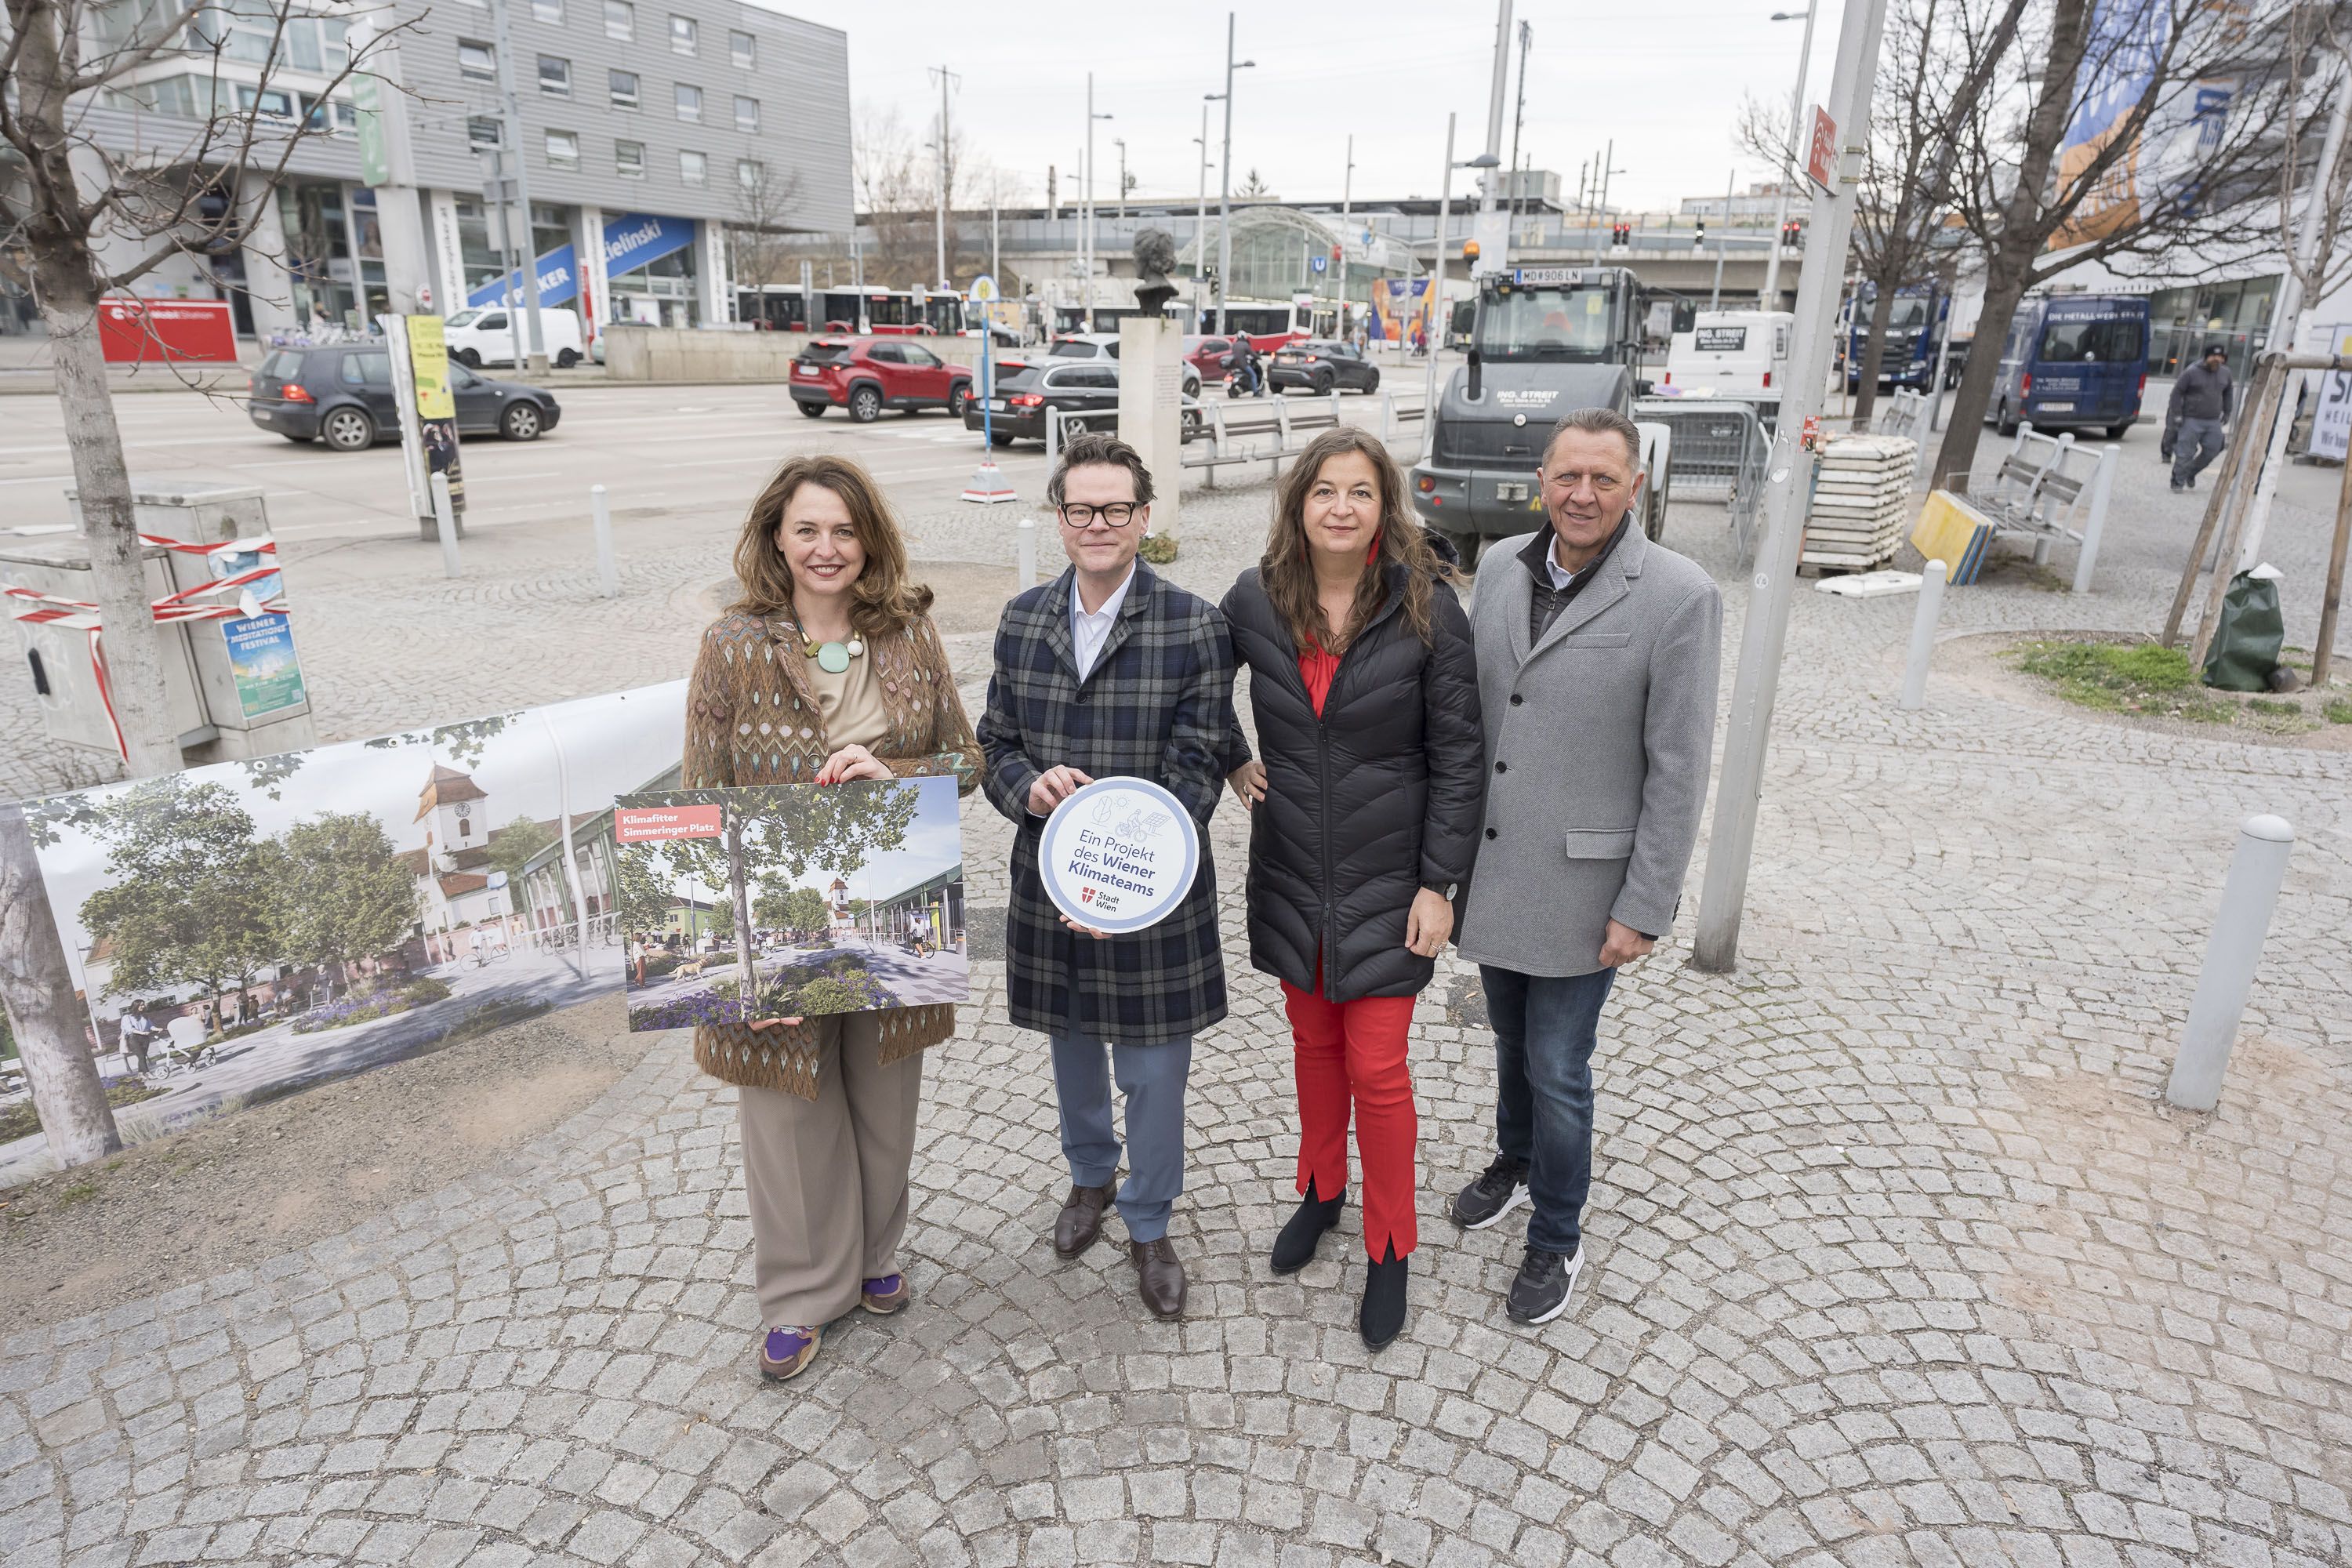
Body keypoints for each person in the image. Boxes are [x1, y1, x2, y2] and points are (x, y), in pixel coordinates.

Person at [681, 453, 981, 1383]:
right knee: (788, 1107)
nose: (826, 547)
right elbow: (699, 797)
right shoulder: (734, 642)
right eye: (807, 529)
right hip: (776, 911)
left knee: (884, 1096)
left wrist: (900, 776)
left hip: (891, 902)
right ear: (776, 535)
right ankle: (803, 1294)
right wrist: (728, 969)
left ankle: (875, 1256)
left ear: (869, 540)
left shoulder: (909, 632)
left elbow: (966, 759)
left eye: (844, 530)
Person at [1450, 406, 1722, 1327]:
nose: (1584, 494)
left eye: (1605, 478)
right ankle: (1516, 1159)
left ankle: (1557, 1234)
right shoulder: (1496, 568)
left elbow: (1679, 768)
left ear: (1635, 486)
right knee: (1507, 1040)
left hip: (1585, 886)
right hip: (1495, 867)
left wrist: (1644, 904)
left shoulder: (1679, 593)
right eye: (1569, 475)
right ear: (1542, 479)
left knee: (1560, 1062)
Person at [1219, 427, 1483, 1349]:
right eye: (1324, 489)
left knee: (1377, 1067)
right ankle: (1323, 1191)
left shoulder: (1429, 609)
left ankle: (1391, 1244)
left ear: (1385, 506)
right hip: (1293, 867)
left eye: (1360, 491)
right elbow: (1194, 685)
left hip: (1388, 876)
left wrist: (1440, 883)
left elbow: (1460, 758)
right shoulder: (1256, 597)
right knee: (1313, 1046)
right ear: (1300, 503)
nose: (1340, 506)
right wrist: (1231, 758)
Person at [977, 431, 1237, 1320]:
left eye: (1115, 508)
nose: (1098, 523)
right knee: (1074, 1048)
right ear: (1059, 518)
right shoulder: (1022, 619)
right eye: (1081, 508)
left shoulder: (1195, 623)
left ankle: (1150, 1219)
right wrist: (1027, 787)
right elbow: (995, 744)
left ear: (1143, 517)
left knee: (1156, 1073)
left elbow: (1200, 764)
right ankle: (1089, 1178)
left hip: (1151, 893)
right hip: (1050, 884)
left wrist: (1125, 886)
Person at [2165, 343, 2234, 492]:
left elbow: (2228, 392)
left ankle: (2191, 472)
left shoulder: (2225, 373)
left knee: (2214, 448)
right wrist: (2176, 414)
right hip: (2191, 419)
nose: (2217, 360)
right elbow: (2177, 393)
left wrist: (2227, 411)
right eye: (2214, 356)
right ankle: (2178, 481)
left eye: (2220, 357)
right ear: (2206, 357)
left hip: (2213, 420)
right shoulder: (2191, 372)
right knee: (2185, 453)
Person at [118, 1001, 154, 1075]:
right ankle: (147, 1073)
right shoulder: (127, 1017)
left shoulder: (144, 1016)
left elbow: (151, 1026)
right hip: (133, 1039)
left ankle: (140, 1074)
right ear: (136, 1006)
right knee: (141, 1055)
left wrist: (158, 1029)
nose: (143, 1007)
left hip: (145, 1038)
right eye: (141, 1005)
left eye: (143, 1005)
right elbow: (130, 1029)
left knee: (142, 1056)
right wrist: (142, 1033)